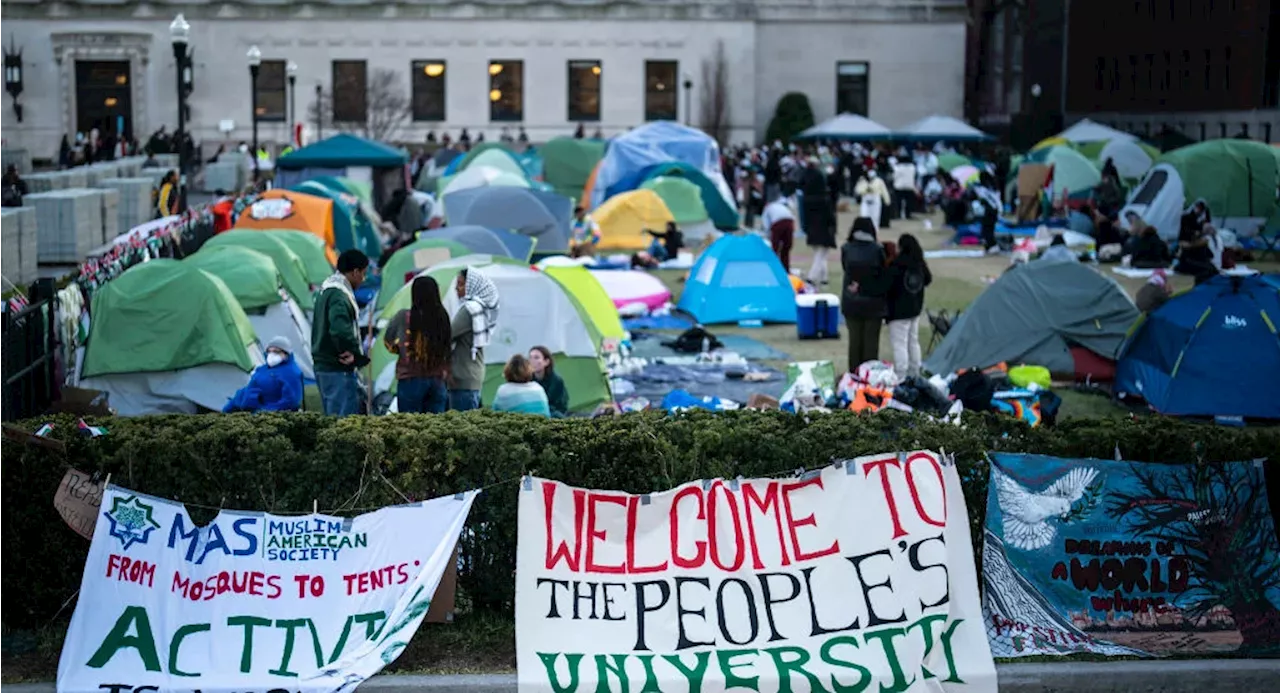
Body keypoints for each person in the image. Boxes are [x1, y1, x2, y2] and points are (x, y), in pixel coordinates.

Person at [312, 249, 370, 416]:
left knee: (332, 417)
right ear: (355, 272)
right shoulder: (339, 295)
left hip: (324, 364)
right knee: (343, 423)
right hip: (337, 366)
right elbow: (339, 329)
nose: (363, 279)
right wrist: (352, 353)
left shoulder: (327, 288)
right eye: (363, 274)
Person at [384, 276, 453, 414]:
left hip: (410, 378)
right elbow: (447, 346)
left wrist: (402, 350)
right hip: (438, 380)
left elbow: (388, 340)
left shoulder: (403, 316)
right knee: (436, 426)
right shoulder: (443, 317)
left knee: (410, 426)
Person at [840, 217, 890, 373]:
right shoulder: (878, 250)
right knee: (871, 344)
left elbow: (845, 269)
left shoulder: (846, 248)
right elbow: (882, 274)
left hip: (851, 301)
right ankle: (869, 377)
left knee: (854, 343)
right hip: (873, 303)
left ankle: (853, 375)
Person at [449, 268, 499, 411]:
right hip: (472, 374)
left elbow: (448, 334)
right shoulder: (479, 307)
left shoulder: (468, 310)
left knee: (462, 425)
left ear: (472, 286)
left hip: (463, 376)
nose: (456, 288)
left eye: (461, 284)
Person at [884, 234, 932, 380]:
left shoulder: (896, 265)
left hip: (898, 312)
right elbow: (928, 279)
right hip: (915, 310)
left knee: (900, 344)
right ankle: (915, 372)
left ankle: (901, 375)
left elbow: (887, 286)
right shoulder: (919, 264)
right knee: (913, 342)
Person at [222, 337, 304, 413]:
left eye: (276, 351)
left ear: (286, 354)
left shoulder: (291, 373)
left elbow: (290, 401)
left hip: (267, 415)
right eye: (269, 351)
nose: (271, 354)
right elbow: (248, 388)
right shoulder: (262, 369)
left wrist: (262, 412)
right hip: (246, 408)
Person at [800, 160, 836, 285]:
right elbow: (830, 217)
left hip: (811, 228)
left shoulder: (806, 199)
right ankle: (811, 277)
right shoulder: (825, 199)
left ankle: (824, 277)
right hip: (824, 229)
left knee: (819, 253)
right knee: (821, 254)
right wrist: (833, 227)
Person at [529, 346, 569, 417]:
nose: (532, 361)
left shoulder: (556, 381)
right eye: (530, 357)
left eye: (536, 358)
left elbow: (561, 406)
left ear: (546, 362)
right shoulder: (527, 380)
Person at [761, 195, 797, 271]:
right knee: (786, 248)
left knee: (775, 249)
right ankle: (786, 269)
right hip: (789, 221)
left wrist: (768, 236)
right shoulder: (780, 205)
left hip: (777, 223)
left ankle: (773, 268)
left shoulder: (767, 209)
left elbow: (766, 225)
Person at [854, 169, 891, 233]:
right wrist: (865, 190)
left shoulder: (879, 181)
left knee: (875, 218)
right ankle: (864, 231)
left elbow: (884, 191)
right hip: (865, 201)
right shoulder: (862, 180)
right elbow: (857, 190)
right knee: (864, 216)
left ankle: (874, 231)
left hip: (875, 201)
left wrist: (887, 200)